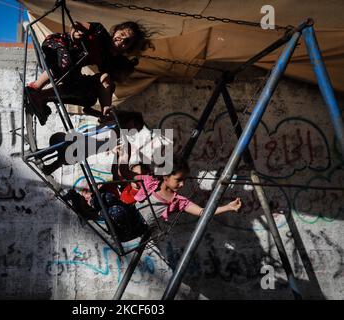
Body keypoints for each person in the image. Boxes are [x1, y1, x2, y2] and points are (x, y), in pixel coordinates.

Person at [25, 21, 153, 125]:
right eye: (122, 34)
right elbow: (77, 25)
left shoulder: (107, 59)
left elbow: (105, 80)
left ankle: (42, 96)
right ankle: (34, 87)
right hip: (57, 45)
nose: (122, 40)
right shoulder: (99, 31)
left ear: (128, 47)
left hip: (72, 67)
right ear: (115, 31)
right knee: (67, 63)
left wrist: (105, 109)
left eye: (127, 41)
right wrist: (75, 33)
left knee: (87, 93)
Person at [115, 146, 242, 226]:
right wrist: (123, 157)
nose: (182, 184)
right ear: (165, 177)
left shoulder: (178, 201)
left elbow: (202, 212)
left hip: (135, 226)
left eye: (184, 180)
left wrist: (228, 207)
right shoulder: (150, 183)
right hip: (126, 215)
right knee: (108, 199)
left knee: (116, 211)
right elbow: (126, 173)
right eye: (179, 180)